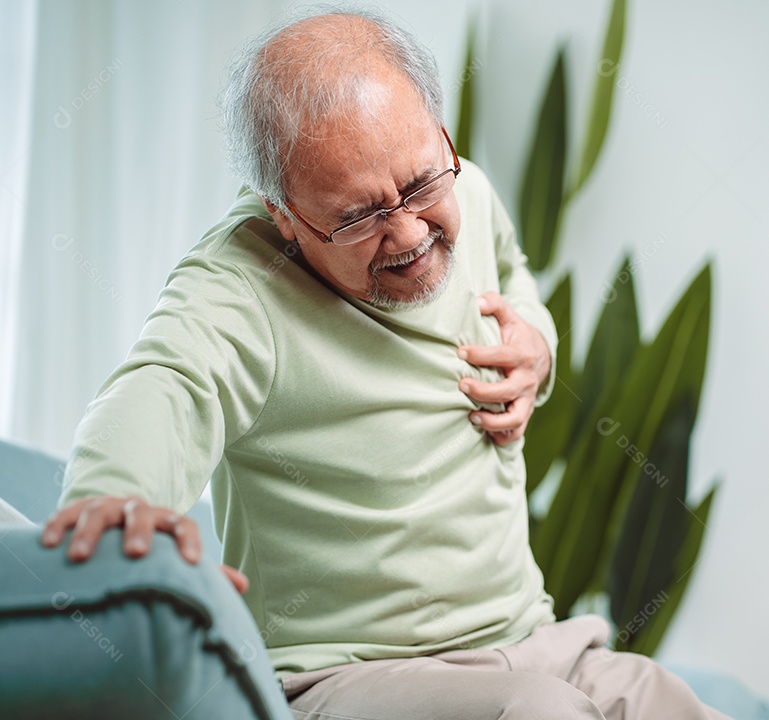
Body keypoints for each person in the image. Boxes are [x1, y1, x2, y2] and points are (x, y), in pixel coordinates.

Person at [41, 6, 729, 719]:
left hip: (532, 638)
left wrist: (538, 345)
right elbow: (165, 388)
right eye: (359, 216)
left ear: (440, 136)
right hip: (350, 675)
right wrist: (113, 498)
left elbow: (516, 281)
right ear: (283, 213)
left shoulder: (467, 190)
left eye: (421, 185)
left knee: (671, 704)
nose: (408, 231)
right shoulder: (239, 285)